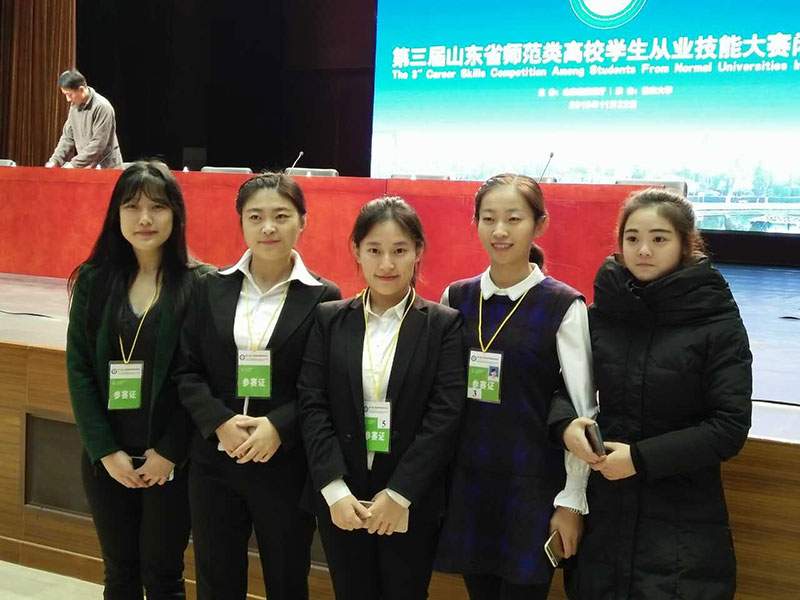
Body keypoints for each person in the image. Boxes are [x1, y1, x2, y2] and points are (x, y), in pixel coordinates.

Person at [555, 188, 753, 599]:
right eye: (632, 238)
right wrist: (565, 424)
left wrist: (640, 459)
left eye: (659, 238)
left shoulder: (716, 321)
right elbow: (563, 388)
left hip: (682, 524)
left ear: (685, 244)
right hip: (605, 517)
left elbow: (729, 426)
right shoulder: (601, 314)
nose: (643, 250)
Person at [173, 172, 341, 600]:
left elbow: (322, 387)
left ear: (302, 222)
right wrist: (220, 422)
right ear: (242, 223)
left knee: (286, 580)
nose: (268, 227)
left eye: (281, 216)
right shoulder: (209, 287)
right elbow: (187, 371)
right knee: (216, 581)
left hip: (284, 464)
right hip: (215, 459)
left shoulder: (324, 297)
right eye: (256, 216)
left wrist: (279, 427)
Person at [435, 173, 597, 600]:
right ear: (476, 223)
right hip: (469, 482)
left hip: (533, 485)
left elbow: (583, 409)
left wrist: (571, 499)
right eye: (489, 218)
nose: (500, 231)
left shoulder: (563, 304)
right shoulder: (456, 297)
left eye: (514, 218)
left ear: (539, 224)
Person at [298, 197, 466, 600]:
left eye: (399, 250)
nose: (387, 264)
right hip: (343, 497)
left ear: (418, 251)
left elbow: (445, 416)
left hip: (409, 500)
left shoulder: (442, 325)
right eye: (374, 250)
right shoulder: (330, 318)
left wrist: (399, 494)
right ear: (357, 250)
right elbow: (312, 404)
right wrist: (334, 490)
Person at [66, 160, 205, 599]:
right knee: (119, 573)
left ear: (176, 214)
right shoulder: (93, 280)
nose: (145, 218)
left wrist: (170, 452)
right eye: (132, 207)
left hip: (171, 462)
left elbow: (202, 378)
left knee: (163, 576)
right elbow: (79, 370)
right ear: (117, 214)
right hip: (108, 459)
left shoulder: (200, 284)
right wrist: (105, 452)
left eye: (158, 207)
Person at [46, 69, 123, 169]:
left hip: (107, 168)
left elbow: (98, 144)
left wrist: (73, 164)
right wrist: (55, 160)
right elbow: (67, 137)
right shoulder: (74, 106)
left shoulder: (102, 107)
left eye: (69, 95)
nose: (68, 99)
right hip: (86, 166)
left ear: (81, 90)